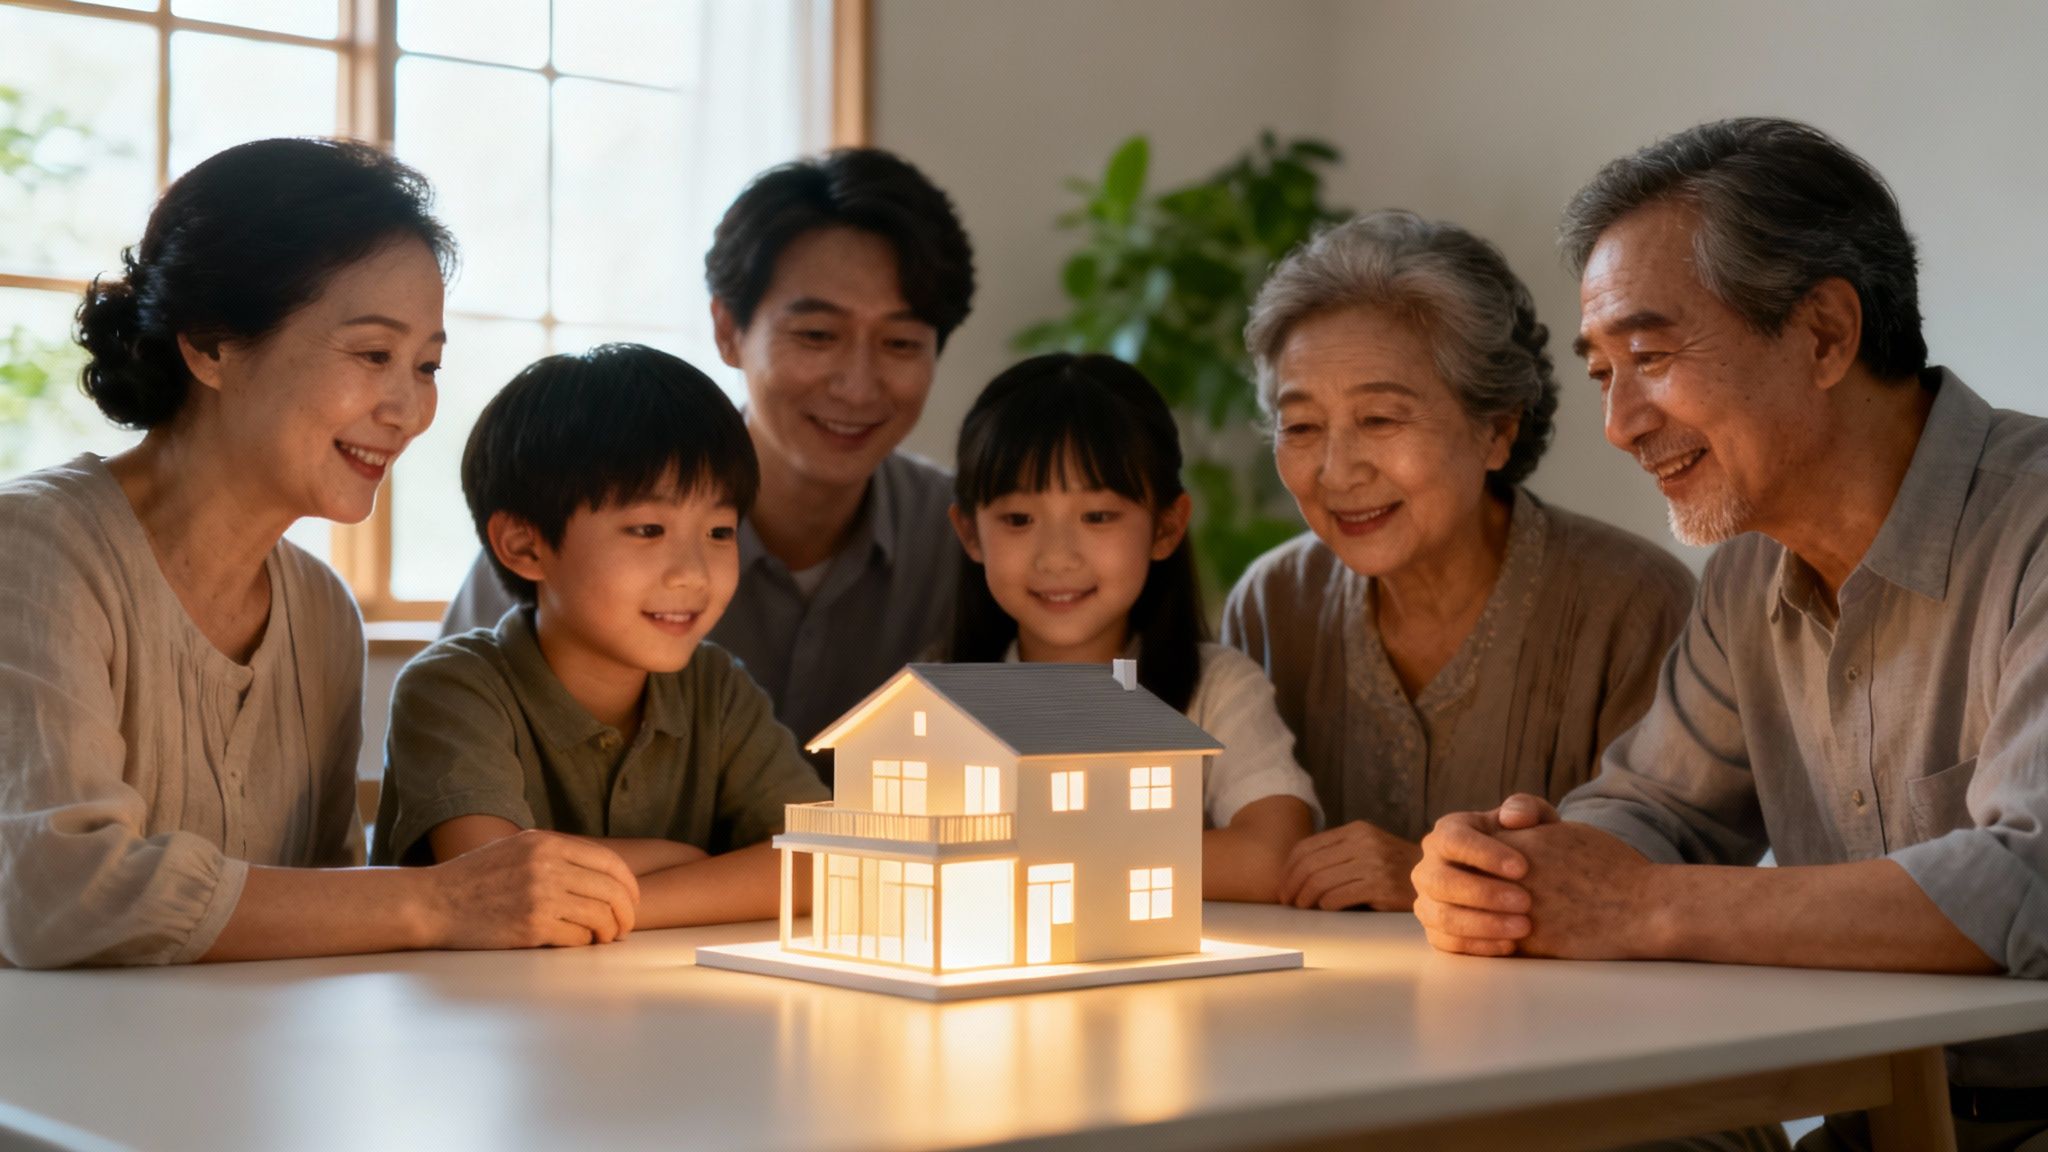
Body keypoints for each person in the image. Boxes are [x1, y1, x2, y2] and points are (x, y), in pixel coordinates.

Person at [1410, 117, 2048, 1151]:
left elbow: (2027, 885)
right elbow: (1647, 811)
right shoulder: (1747, 570)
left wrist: (1639, 908)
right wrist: (1514, 873)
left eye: (1648, 356)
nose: (1618, 422)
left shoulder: (2034, 527)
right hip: (1877, 1123)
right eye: (1600, 371)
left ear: (1825, 334)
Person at [0, 138, 641, 969]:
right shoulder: (36, 550)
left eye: (427, 365)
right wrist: (443, 900)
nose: (409, 409)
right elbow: (56, 894)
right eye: (374, 355)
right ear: (210, 345)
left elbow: (326, 912)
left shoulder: (321, 612)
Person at [441, 149, 975, 778]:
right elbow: (458, 766)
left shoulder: (969, 543)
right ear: (727, 329)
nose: (859, 386)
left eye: (901, 343)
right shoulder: (574, 517)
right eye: (816, 336)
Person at [1221, 210, 1696, 912]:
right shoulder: (1271, 604)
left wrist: (1426, 873)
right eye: (1301, 427)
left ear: (1497, 430)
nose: (1336, 470)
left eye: (1380, 419)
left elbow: (1666, 873)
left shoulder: (1633, 603)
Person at [373, 344, 828, 928]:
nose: (693, 571)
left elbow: (823, 858)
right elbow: (499, 887)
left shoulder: (717, 690)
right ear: (525, 545)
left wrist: (630, 903)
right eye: (647, 528)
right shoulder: (453, 688)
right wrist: (697, 864)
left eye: (719, 530)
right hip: (469, 1013)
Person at [944, 353, 1322, 902]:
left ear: (1166, 528)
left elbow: (1272, 857)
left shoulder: (1216, 689)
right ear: (971, 534)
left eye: (1097, 516)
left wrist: (1025, 855)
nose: (1057, 557)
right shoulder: (939, 701)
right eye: (1018, 520)